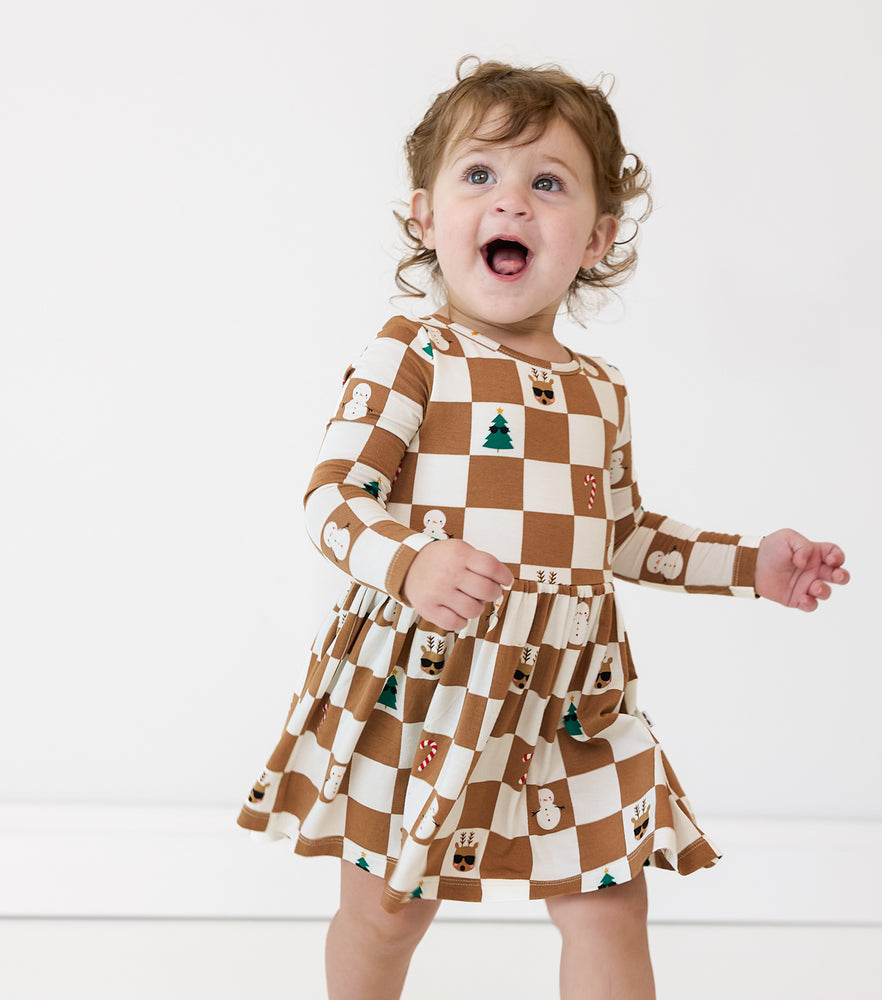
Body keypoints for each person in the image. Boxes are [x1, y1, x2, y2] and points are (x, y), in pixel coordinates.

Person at [237, 56, 849, 1000]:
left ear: (597, 237)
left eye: (546, 184)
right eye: (479, 175)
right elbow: (331, 497)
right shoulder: (416, 353)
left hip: (574, 685)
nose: (510, 203)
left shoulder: (600, 390)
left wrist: (748, 565)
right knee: (388, 906)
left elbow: (624, 533)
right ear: (423, 214)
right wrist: (410, 562)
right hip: (431, 680)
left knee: (611, 901)